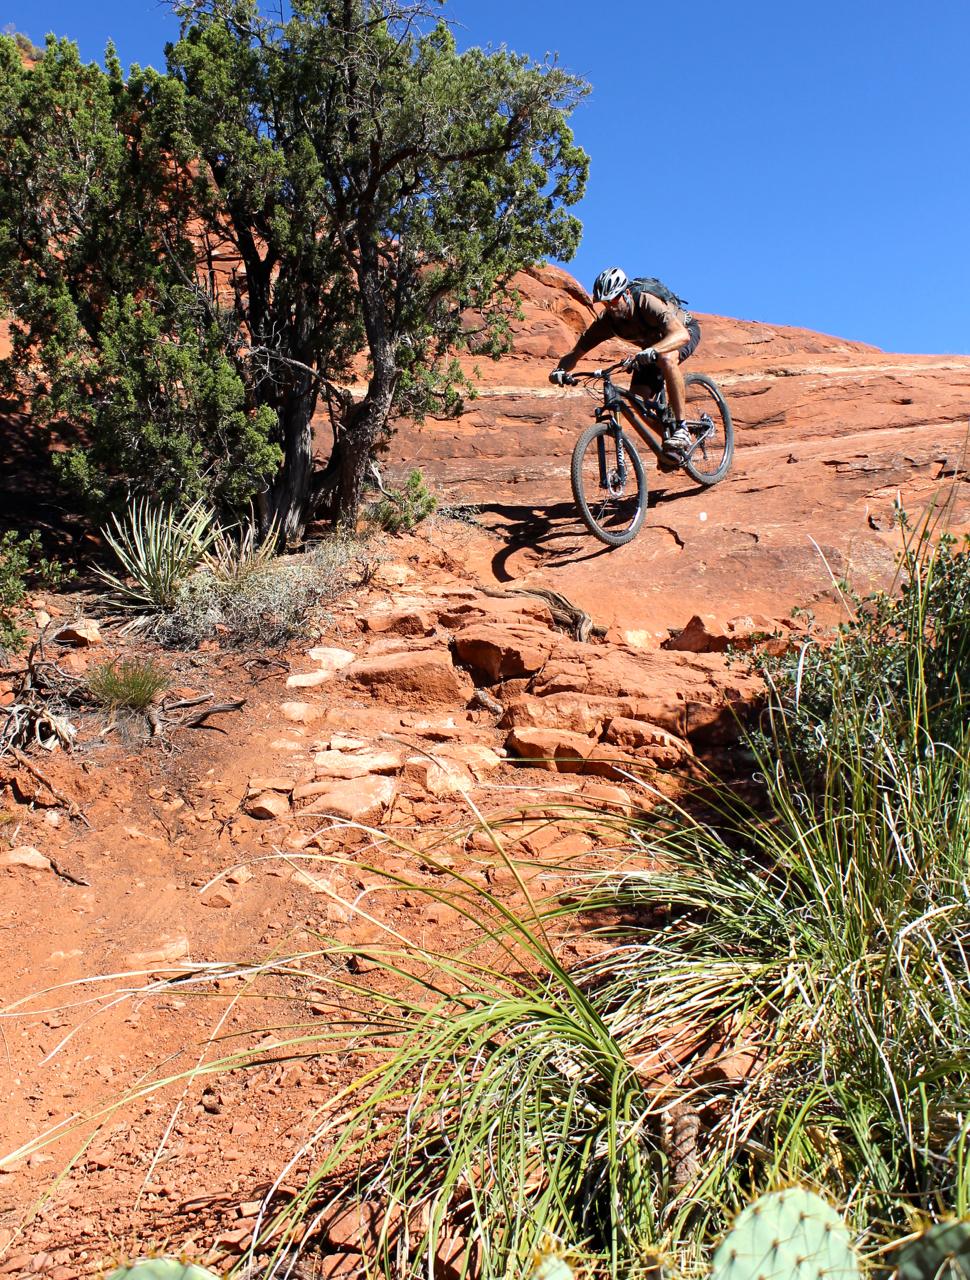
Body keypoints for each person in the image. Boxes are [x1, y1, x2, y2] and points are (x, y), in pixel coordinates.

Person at [549, 267, 701, 461]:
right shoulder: (606, 322)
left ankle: (681, 428)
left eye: (613, 299)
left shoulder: (646, 302)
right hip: (650, 350)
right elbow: (576, 353)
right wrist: (559, 370)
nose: (610, 306)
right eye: (605, 302)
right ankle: (669, 438)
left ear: (626, 293)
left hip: (680, 333)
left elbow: (682, 335)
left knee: (667, 359)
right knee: (636, 398)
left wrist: (654, 351)